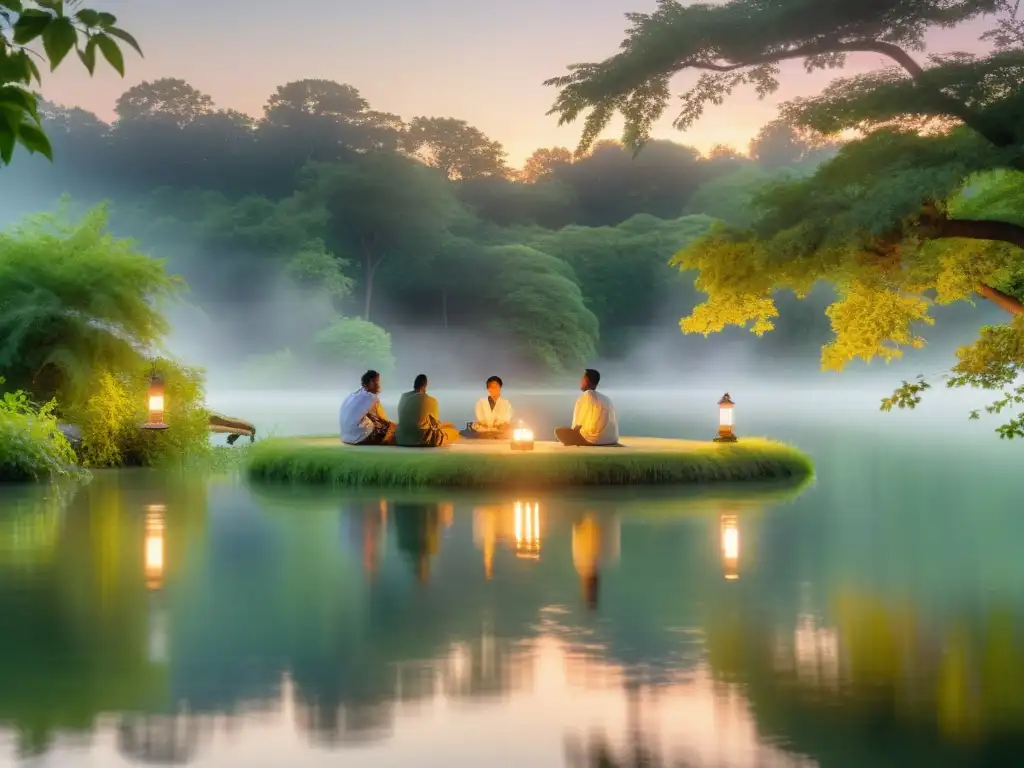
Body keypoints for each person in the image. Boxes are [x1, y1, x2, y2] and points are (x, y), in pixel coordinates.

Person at [555, 368, 620, 447]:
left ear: (586, 380)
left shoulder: (584, 397)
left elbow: (576, 426)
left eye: (582, 380)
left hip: (594, 440)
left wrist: (571, 436)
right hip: (612, 439)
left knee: (558, 431)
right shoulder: (606, 398)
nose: (580, 382)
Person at [396, 374, 461, 447]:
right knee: (453, 431)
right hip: (421, 439)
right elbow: (435, 424)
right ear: (425, 386)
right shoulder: (429, 399)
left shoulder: (404, 397)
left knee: (449, 424)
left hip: (401, 438)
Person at [339, 370, 396, 446]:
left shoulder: (353, 395)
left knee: (372, 419)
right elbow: (382, 419)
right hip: (359, 438)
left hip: (345, 437)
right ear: (369, 383)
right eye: (377, 381)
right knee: (391, 431)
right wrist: (395, 426)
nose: (379, 385)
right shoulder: (371, 397)